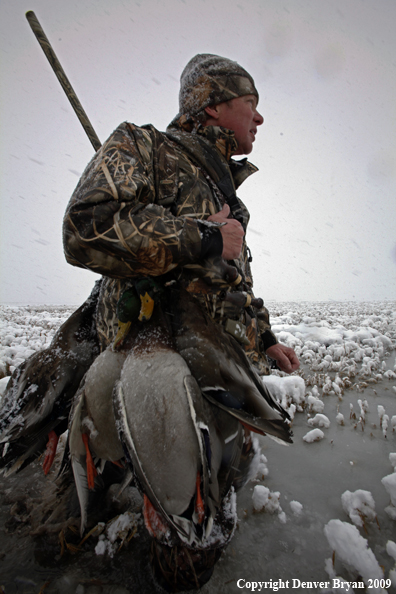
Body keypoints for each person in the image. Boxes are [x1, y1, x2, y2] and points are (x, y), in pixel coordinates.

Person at [61, 53, 299, 590]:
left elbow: (233, 285)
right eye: (251, 104)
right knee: (181, 535)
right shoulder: (143, 147)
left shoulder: (228, 193)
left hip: (219, 365)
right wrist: (205, 235)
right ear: (213, 106)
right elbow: (86, 226)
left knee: (227, 474)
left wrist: (268, 339)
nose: (259, 119)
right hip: (151, 361)